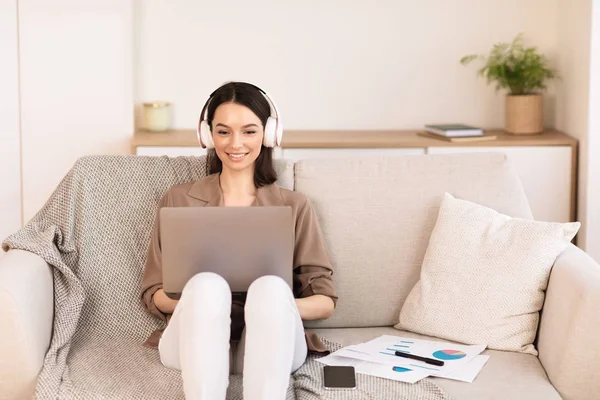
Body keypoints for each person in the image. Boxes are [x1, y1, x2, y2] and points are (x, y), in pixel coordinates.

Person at [140, 81, 338, 400]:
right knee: (207, 286)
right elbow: (154, 293)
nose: (236, 143)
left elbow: (325, 301)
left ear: (269, 133)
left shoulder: (294, 205)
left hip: (271, 342)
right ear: (208, 136)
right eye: (223, 131)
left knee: (271, 289)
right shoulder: (178, 198)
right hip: (193, 342)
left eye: (248, 131)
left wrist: (265, 309)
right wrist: (206, 307)